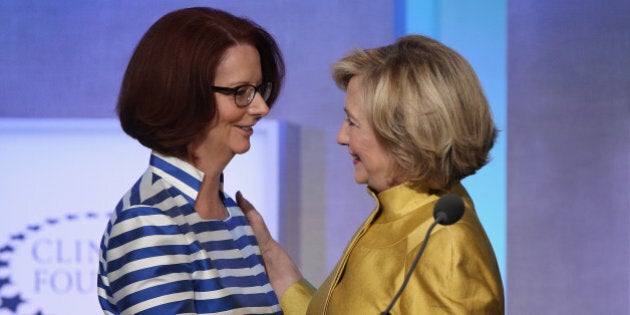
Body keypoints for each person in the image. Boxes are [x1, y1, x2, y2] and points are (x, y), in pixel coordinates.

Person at [237, 34, 504, 314]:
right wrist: (268, 252)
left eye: (353, 122)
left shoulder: (446, 247)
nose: (341, 137)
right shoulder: (394, 215)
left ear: (405, 134)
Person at [97, 7, 285, 314]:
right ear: (183, 95)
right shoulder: (149, 220)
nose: (262, 107)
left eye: (259, 89)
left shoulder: (236, 218)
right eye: (241, 92)